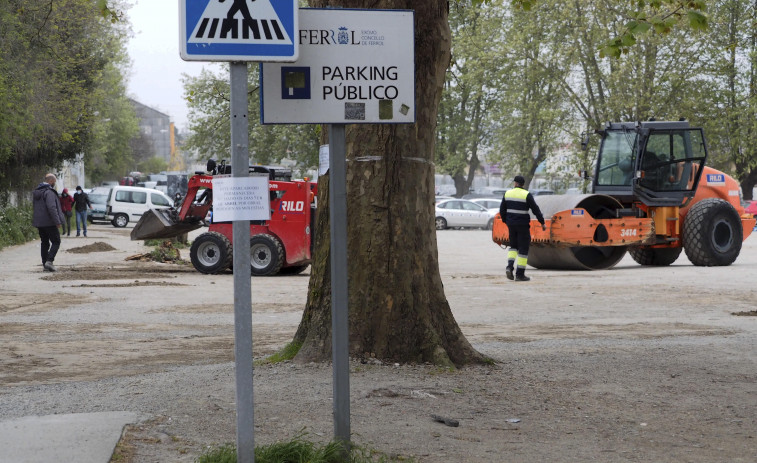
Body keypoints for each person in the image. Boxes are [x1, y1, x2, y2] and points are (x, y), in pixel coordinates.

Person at [499, 175, 546, 282]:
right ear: (523, 184)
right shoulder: (526, 195)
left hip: (511, 225)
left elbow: (502, 210)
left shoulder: (507, 193)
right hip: (523, 225)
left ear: (515, 183)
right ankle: (520, 274)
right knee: (523, 248)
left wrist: (507, 221)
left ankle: (509, 267)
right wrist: (542, 222)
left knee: (513, 246)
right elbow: (535, 209)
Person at [32, 173, 65, 272]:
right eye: (54, 182)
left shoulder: (37, 192)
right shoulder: (49, 192)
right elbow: (52, 208)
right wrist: (57, 221)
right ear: (50, 181)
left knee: (44, 243)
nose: (54, 184)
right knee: (56, 241)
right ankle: (49, 261)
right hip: (49, 222)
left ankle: (44, 264)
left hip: (40, 223)